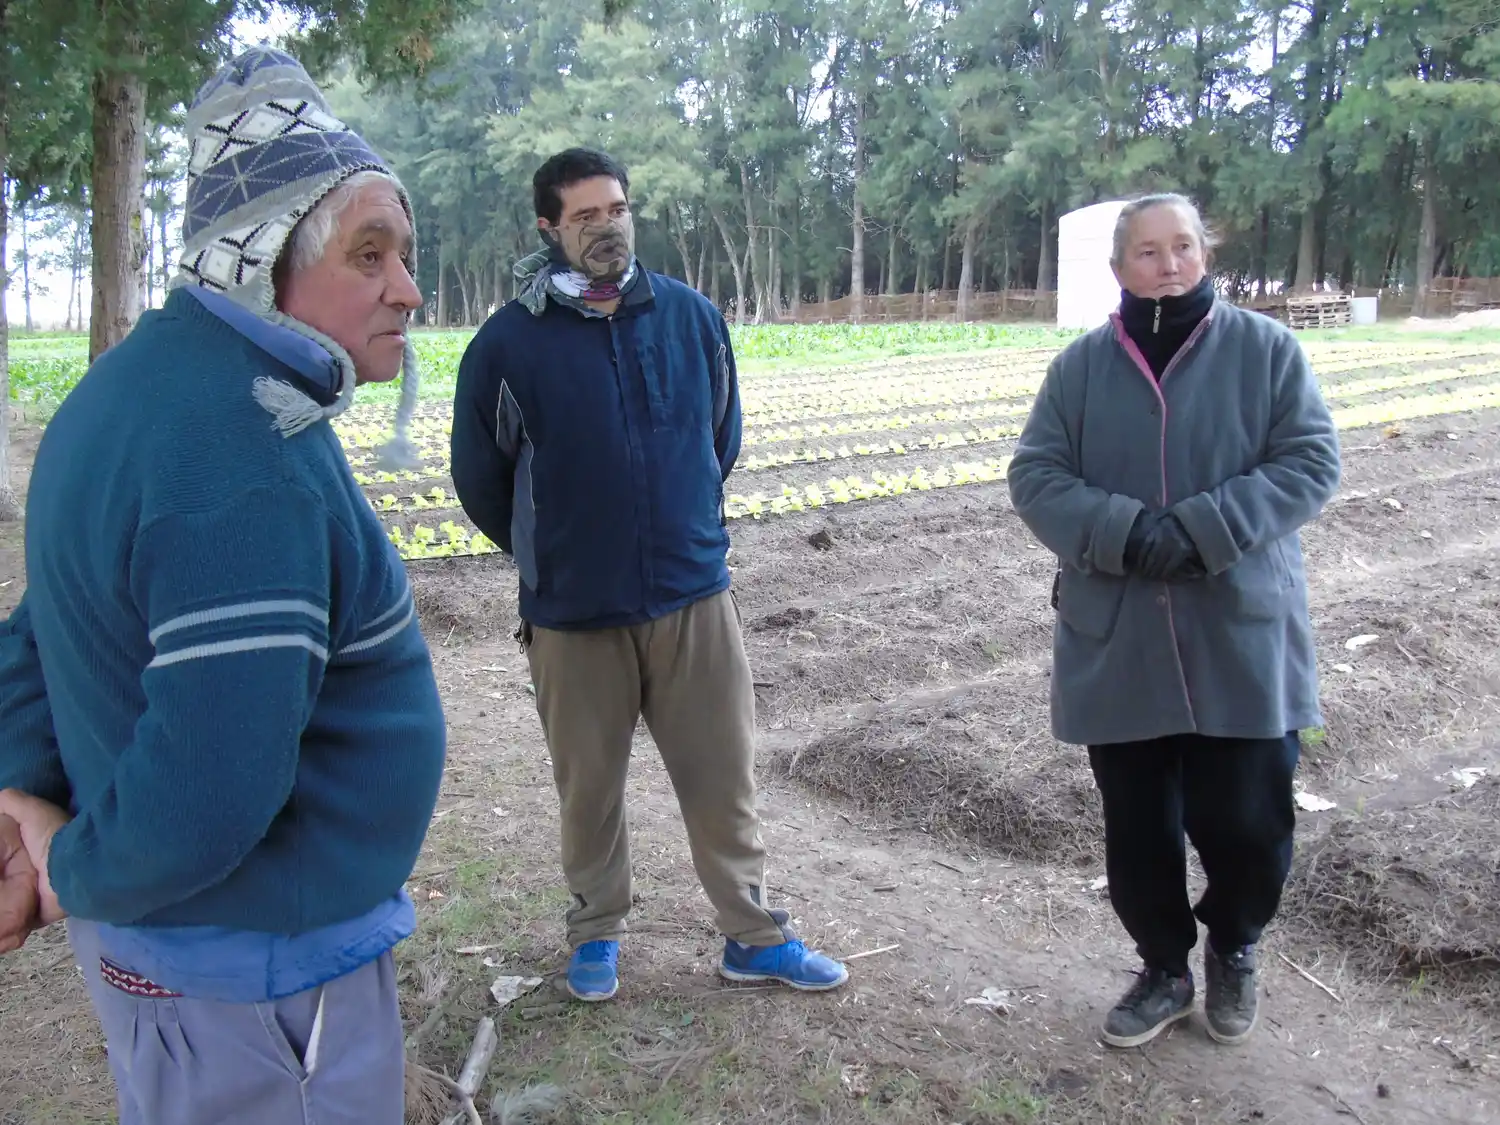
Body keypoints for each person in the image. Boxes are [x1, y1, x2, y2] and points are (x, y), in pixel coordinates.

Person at [0, 48, 446, 1125]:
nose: (409, 290)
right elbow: (209, 790)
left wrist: (22, 787)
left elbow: (39, 627)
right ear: (261, 264)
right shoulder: (244, 458)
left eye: (407, 251)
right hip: (259, 978)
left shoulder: (129, 389)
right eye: (370, 254)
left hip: (184, 955)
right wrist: (75, 869)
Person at [450, 147, 848, 1002]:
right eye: (586, 215)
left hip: (692, 596)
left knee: (723, 778)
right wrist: (549, 554)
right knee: (588, 788)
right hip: (572, 612)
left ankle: (752, 935)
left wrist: (683, 525)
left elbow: (720, 440)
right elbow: (480, 479)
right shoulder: (507, 343)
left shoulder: (692, 318)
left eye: (618, 209)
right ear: (549, 228)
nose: (608, 227)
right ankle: (595, 932)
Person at [1006, 193, 1341, 1049]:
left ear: (1206, 254)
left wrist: (1199, 530)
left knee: (1250, 821)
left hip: (1239, 629)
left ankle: (1235, 941)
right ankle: (1163, 964)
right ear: (1119, 269)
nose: (1168, 264)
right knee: (1139, 828)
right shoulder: (1080, 369)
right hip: (1119, 633)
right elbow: (1037, 474)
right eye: (1148, 252)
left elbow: (1309, 460)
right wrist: (1125, 531)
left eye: (1183, 246)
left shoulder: (1265, 351)